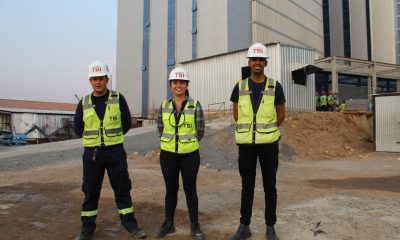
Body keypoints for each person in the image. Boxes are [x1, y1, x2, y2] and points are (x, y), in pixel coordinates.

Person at [74, 60, 146, 240]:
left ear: (107, 79)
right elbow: (77, 128)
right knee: (90, 190)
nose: (97, 82)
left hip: (115, 152)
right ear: (90, 81)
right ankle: (87, 229)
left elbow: (126, 123)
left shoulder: (118, 98)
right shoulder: (84, 102)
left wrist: (112, 138)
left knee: (122, 188)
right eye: (94, 79)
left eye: (101, 78)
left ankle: (131, 225)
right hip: (92, 154)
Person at [229, 43, 285, 240]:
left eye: (261, 59)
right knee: (247, 186)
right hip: (246, 146)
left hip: (269, 145)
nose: (257, 63)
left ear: (266, 62)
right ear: (249, 62)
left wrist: (266, 132)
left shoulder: (275, 86)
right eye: (254, 59)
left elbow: (281, 114)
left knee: (270, 186)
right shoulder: (240, 86)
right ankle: (244, 226)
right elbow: (236, 114)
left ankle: (270, 227)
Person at [154, 67, 205, 240]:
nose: (178, 85)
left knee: (190, 190)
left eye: (182, 82)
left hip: (190, 155)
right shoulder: (163, 106)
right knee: (171, 190)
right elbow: (160, 129)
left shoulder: (195, 105)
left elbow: (200, 131)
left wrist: (185, 144)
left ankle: (195, 226)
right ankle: (169, 224)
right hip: (168, 155)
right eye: (175, 82)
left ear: (187, 84)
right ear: (170, 84)